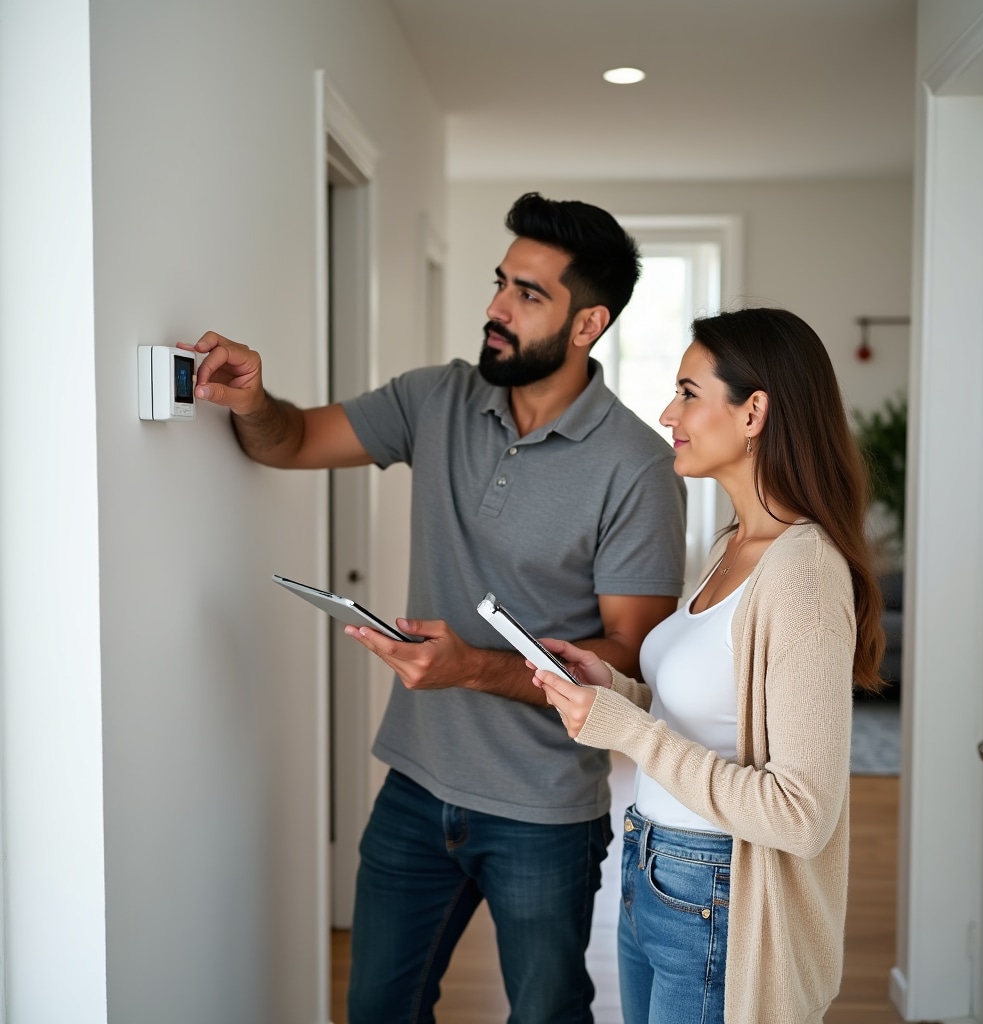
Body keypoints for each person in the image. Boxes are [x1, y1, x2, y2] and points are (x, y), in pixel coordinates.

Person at [181, 193, 688, 1024]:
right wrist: (252, 399)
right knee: (380, 1008)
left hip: (542, 806)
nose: (494, 308)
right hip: (416, 785)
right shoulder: (437, 400)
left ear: (588, 322)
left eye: (528, 294)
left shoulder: (634, 466)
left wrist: (473, 667)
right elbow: (295, 440)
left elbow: (631, 657)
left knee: (546, 1014)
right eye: (501, 284)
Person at [532, 307, 886, 1024]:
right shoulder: (732, 546)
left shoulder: (804, 574)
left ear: (754, 411)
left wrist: (629, 732)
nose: (668, 412)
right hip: (653, 868)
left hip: (719, 892)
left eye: (689, 392)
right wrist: (619, 689)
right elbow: (711, 709)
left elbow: (801, 814)